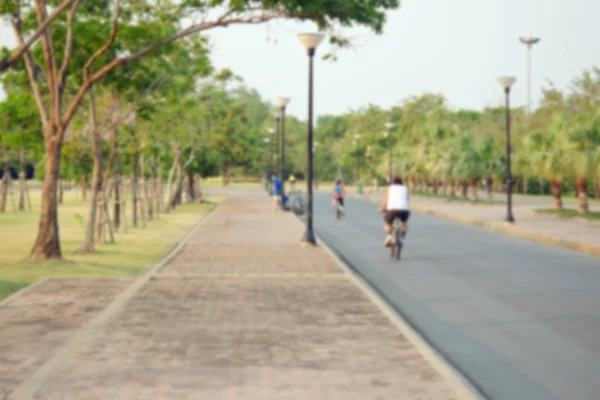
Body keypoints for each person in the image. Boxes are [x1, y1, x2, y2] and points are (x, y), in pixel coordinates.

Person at [378, 176, 410, 247]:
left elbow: (386, 202)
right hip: (404, 210)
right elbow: (407, 200)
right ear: (401, 183)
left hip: (392, 210)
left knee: (387, 224)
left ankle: (389, 236)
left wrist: (382, 209)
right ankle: (402, 238)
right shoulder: (405, 189)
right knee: (404, 224)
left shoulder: (390, 189)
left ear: (392, 183)